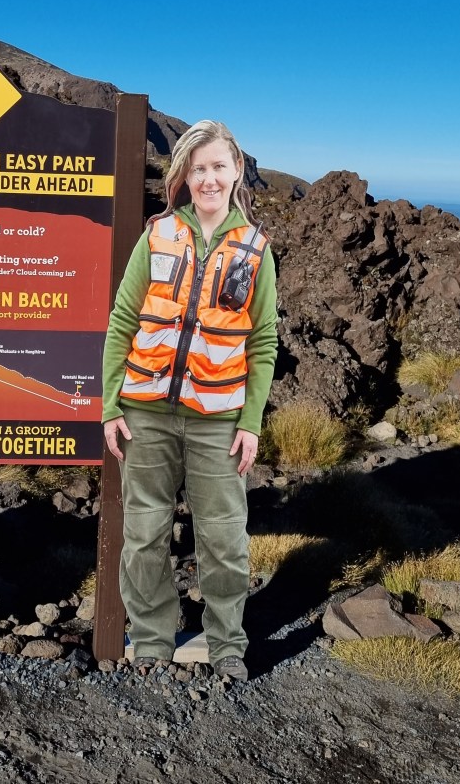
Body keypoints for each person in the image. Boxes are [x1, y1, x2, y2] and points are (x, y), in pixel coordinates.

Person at [102, 120, 277, 681]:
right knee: (144, 533)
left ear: (236, 172)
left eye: (219, 167)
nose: (209, 178)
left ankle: (227, 645)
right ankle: (152, 641)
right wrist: (111, 405)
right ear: (183, 176)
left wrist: (250, 422)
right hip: (146, 413)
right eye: (198, 168)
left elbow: (264, 339)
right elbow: (123, 320)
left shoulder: (255, 250)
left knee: (224, 537)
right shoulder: (156, 236)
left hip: (218, 420)